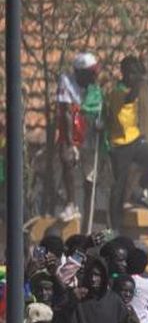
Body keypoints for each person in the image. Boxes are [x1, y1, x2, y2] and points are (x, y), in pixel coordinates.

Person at [105, 55, 148, 223]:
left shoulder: (134, 88)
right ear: (123, 73)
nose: (133, 78)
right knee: (118, 187)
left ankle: (138, 191)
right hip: (119, 145)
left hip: (134, 140)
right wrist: (139, 81)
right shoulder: (117, 91)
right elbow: (129, 98)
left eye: (135, 75)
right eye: (130, 74)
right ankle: (114, 226)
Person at [55, 52, 104, 222]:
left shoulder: (95, 86)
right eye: (91, 72)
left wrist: (99, 123)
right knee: (67, 157)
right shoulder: (66, 81)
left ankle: (88, 219)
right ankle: (71, 204)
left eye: (95, 72)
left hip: (90, 135)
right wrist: (70, 144)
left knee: (90, 179)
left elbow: (99, 109)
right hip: (73, 132)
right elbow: (66, 113)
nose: (95, 76)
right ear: (80, 72)